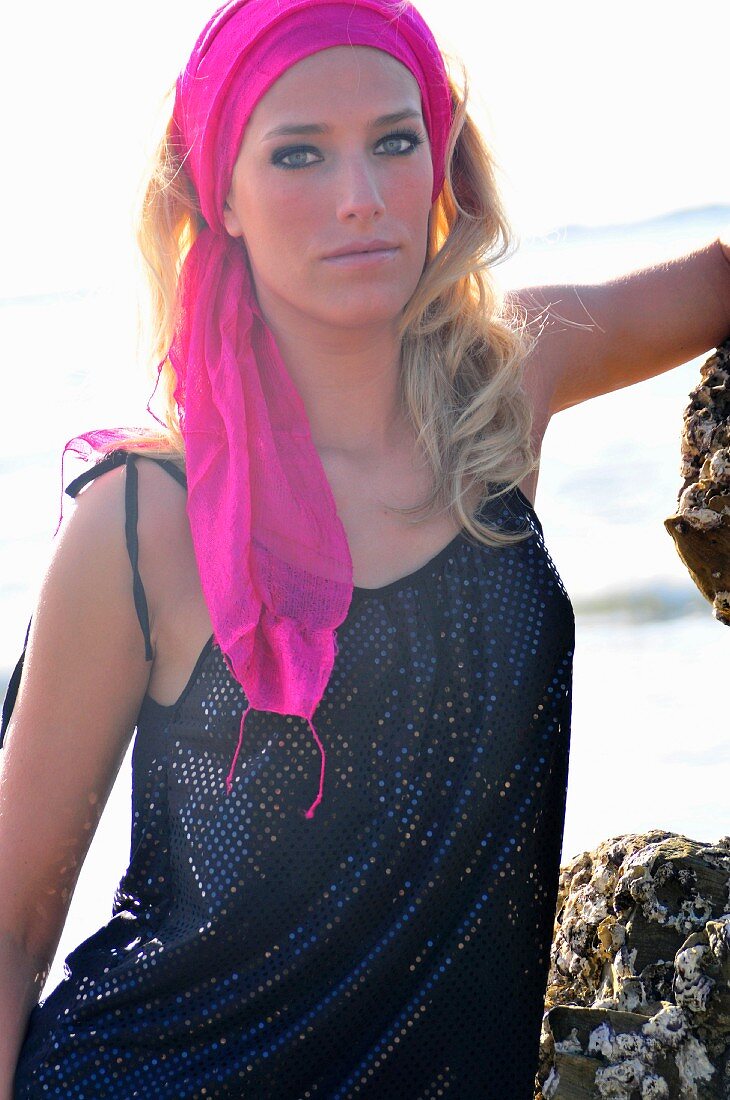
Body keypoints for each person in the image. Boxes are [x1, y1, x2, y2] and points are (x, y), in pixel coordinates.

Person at [1, 0, 728, 1096]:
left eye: (395, 140)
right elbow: (10, 925)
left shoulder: (494, 392)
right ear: (219, 195)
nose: (361, 197)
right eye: (298, 153)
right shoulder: (143, 518)